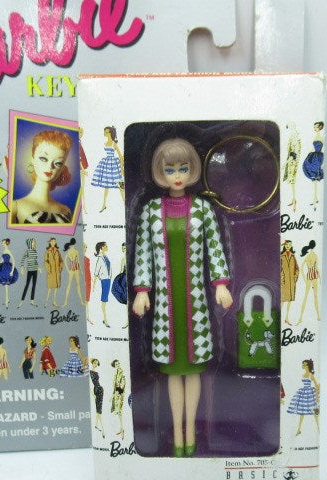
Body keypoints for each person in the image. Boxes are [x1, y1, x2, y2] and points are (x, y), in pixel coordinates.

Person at [132, 138, 233, 457]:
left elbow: (215, 247)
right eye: (170, 169)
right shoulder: (150, 211)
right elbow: (142, 253)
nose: (177, 175)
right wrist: (142, 290)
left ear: (192, 170)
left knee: (194, 369)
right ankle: (177, 432)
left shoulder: (203, 209)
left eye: (183, 168)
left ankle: (192, 428)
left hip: (196, 305)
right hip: (165, 307)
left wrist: (221, 284)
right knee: (173, 372)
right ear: (159, 172)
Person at [11, 130, 73, 223]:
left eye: (58, 163)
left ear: (62, 168)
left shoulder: (66, 211)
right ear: (33, 158)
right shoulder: (15, 206)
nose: (49, 167)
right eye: (43, 159)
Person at [91, 126, 125, 212]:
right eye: (104, 132)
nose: (104, 133)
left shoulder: (114, 144)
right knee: (106, 185)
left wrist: (121, 170)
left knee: (121, 186)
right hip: (107, 164)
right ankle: (104, 204)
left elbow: (121, 157)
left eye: (106, 132)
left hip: (114, 165)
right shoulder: (105, 143)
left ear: (110, 133)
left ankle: (125, 204)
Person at [287, 359, 320, 435]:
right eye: (303, 364)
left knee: (314, 411)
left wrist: (316, 397)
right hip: (303, 393)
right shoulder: (303, 375)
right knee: (302, 412)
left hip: (310, 393)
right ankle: (299, 429)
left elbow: (316, 386)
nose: (302, 366)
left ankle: (319, 428)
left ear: (307, 366)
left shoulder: (311, 375)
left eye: (304, 364)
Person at [302, 122, 325, 209]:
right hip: (315, 155)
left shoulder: (320, 137)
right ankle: (315, 198)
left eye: (315, 127)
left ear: (319, 128)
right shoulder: (317, 136)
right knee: (314, 178)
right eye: (314, 127)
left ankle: (315, 199)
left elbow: (321, 147)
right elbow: (314, 147)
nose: (314, 128)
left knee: (315, 176)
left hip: (317, 157)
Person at [297, 240, 320, 324]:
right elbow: (316, 268)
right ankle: (317, 316)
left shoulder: (308, 256)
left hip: (310, 276)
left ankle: (301, 317)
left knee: (306, 297)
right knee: (315, 297)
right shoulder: (315, 256)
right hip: (314, 276)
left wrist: (304, 279)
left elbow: (302, 268)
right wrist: (320, 278)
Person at [0, 238, 19, 308]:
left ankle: (6, 300)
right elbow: (2, 259)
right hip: (3, 268)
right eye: (2, 243)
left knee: (6, 285)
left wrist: (12, 271)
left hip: (7, 268)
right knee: (5, 285)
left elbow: (13, 260)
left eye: (3, 243)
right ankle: (7, 299)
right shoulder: (4, 250)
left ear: (6, 243)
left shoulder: (8, 250)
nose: (2, 244)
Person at [280, 240, 299, 325]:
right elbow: (279, 269)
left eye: (289, 245)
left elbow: (297, 268)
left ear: (291, 246)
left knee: (289, 301)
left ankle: (286, 318)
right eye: (286, 244)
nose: (288, 246)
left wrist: (295, 278)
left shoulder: (293, 256)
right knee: (282, 300)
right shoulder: (281, 256)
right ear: (284, 246)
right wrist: (282, 279)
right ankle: (279, 318)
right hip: (284, 282)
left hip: (291, 282)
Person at [93, 242, 112, 327]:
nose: (107, 247)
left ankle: (105, 318)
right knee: (104, 299)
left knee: (105, 299)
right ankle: (105, 319)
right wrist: (94, 284)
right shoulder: (100, 258)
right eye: (106, 246)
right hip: (104, 280)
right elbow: (96, 271)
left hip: (108, 279)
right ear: (102, 247)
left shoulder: (106, 257)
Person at [18, 238, 42, 308]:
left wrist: (39, 268)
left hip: (35, 270)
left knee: (34, 285)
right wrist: (22, 268)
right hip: (30, 270)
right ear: (30, 243)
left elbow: (35, 261)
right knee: (27, 285)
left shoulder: (35, 251)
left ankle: (32, 301)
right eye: (33, 242)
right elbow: (23, 259)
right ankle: (22, 301)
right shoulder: (28, 251)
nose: (34, 243)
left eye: (34, 242)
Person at [62, 238, 85, 307]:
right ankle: (66, 302)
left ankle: (79, 301)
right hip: (74, 269)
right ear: (74, 243)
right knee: (75, 285)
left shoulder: (71, 251)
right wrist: (68, 270)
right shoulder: (74, 251)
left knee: (73, 285)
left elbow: (77, 261)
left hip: (74, 269)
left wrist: (81, 270)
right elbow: (76, 261)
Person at [44, 238, 63, 308]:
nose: (53, 242)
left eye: (54, 241)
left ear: (55, 243)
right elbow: (46, 261)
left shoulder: (57, 251)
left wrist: (60, 268)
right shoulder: (47, 252)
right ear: (50, 242)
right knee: (50, 288)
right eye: (52, 241)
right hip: (51, 272)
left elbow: (61, 261)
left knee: (56, 287)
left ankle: (54, 301)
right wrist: (49, 269)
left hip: (57, 272)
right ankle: (46, 301)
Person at [110, 359, 126, 439]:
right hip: (116, 393)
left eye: (118, 363)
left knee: (119, 411)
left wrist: (117, 393)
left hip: (120, 393)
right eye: (116, 364)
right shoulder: (116, 372)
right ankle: (121, 427)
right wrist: (113, 395)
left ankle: (122, 429)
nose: (118, 365)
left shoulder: (121, 372)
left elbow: (123, 384)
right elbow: (115, 385)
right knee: (118, 412)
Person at [90, 358, 105, 438]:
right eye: (94, 363)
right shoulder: (90, 372)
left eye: (97, 363)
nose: (95, 364)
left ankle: (97, 425)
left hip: (100, 389)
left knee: (99, 409)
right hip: (96, 389)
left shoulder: (95, 372)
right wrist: (93, 394)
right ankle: (102, 429)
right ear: (92, 363)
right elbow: (89, 384)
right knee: (98, 409)